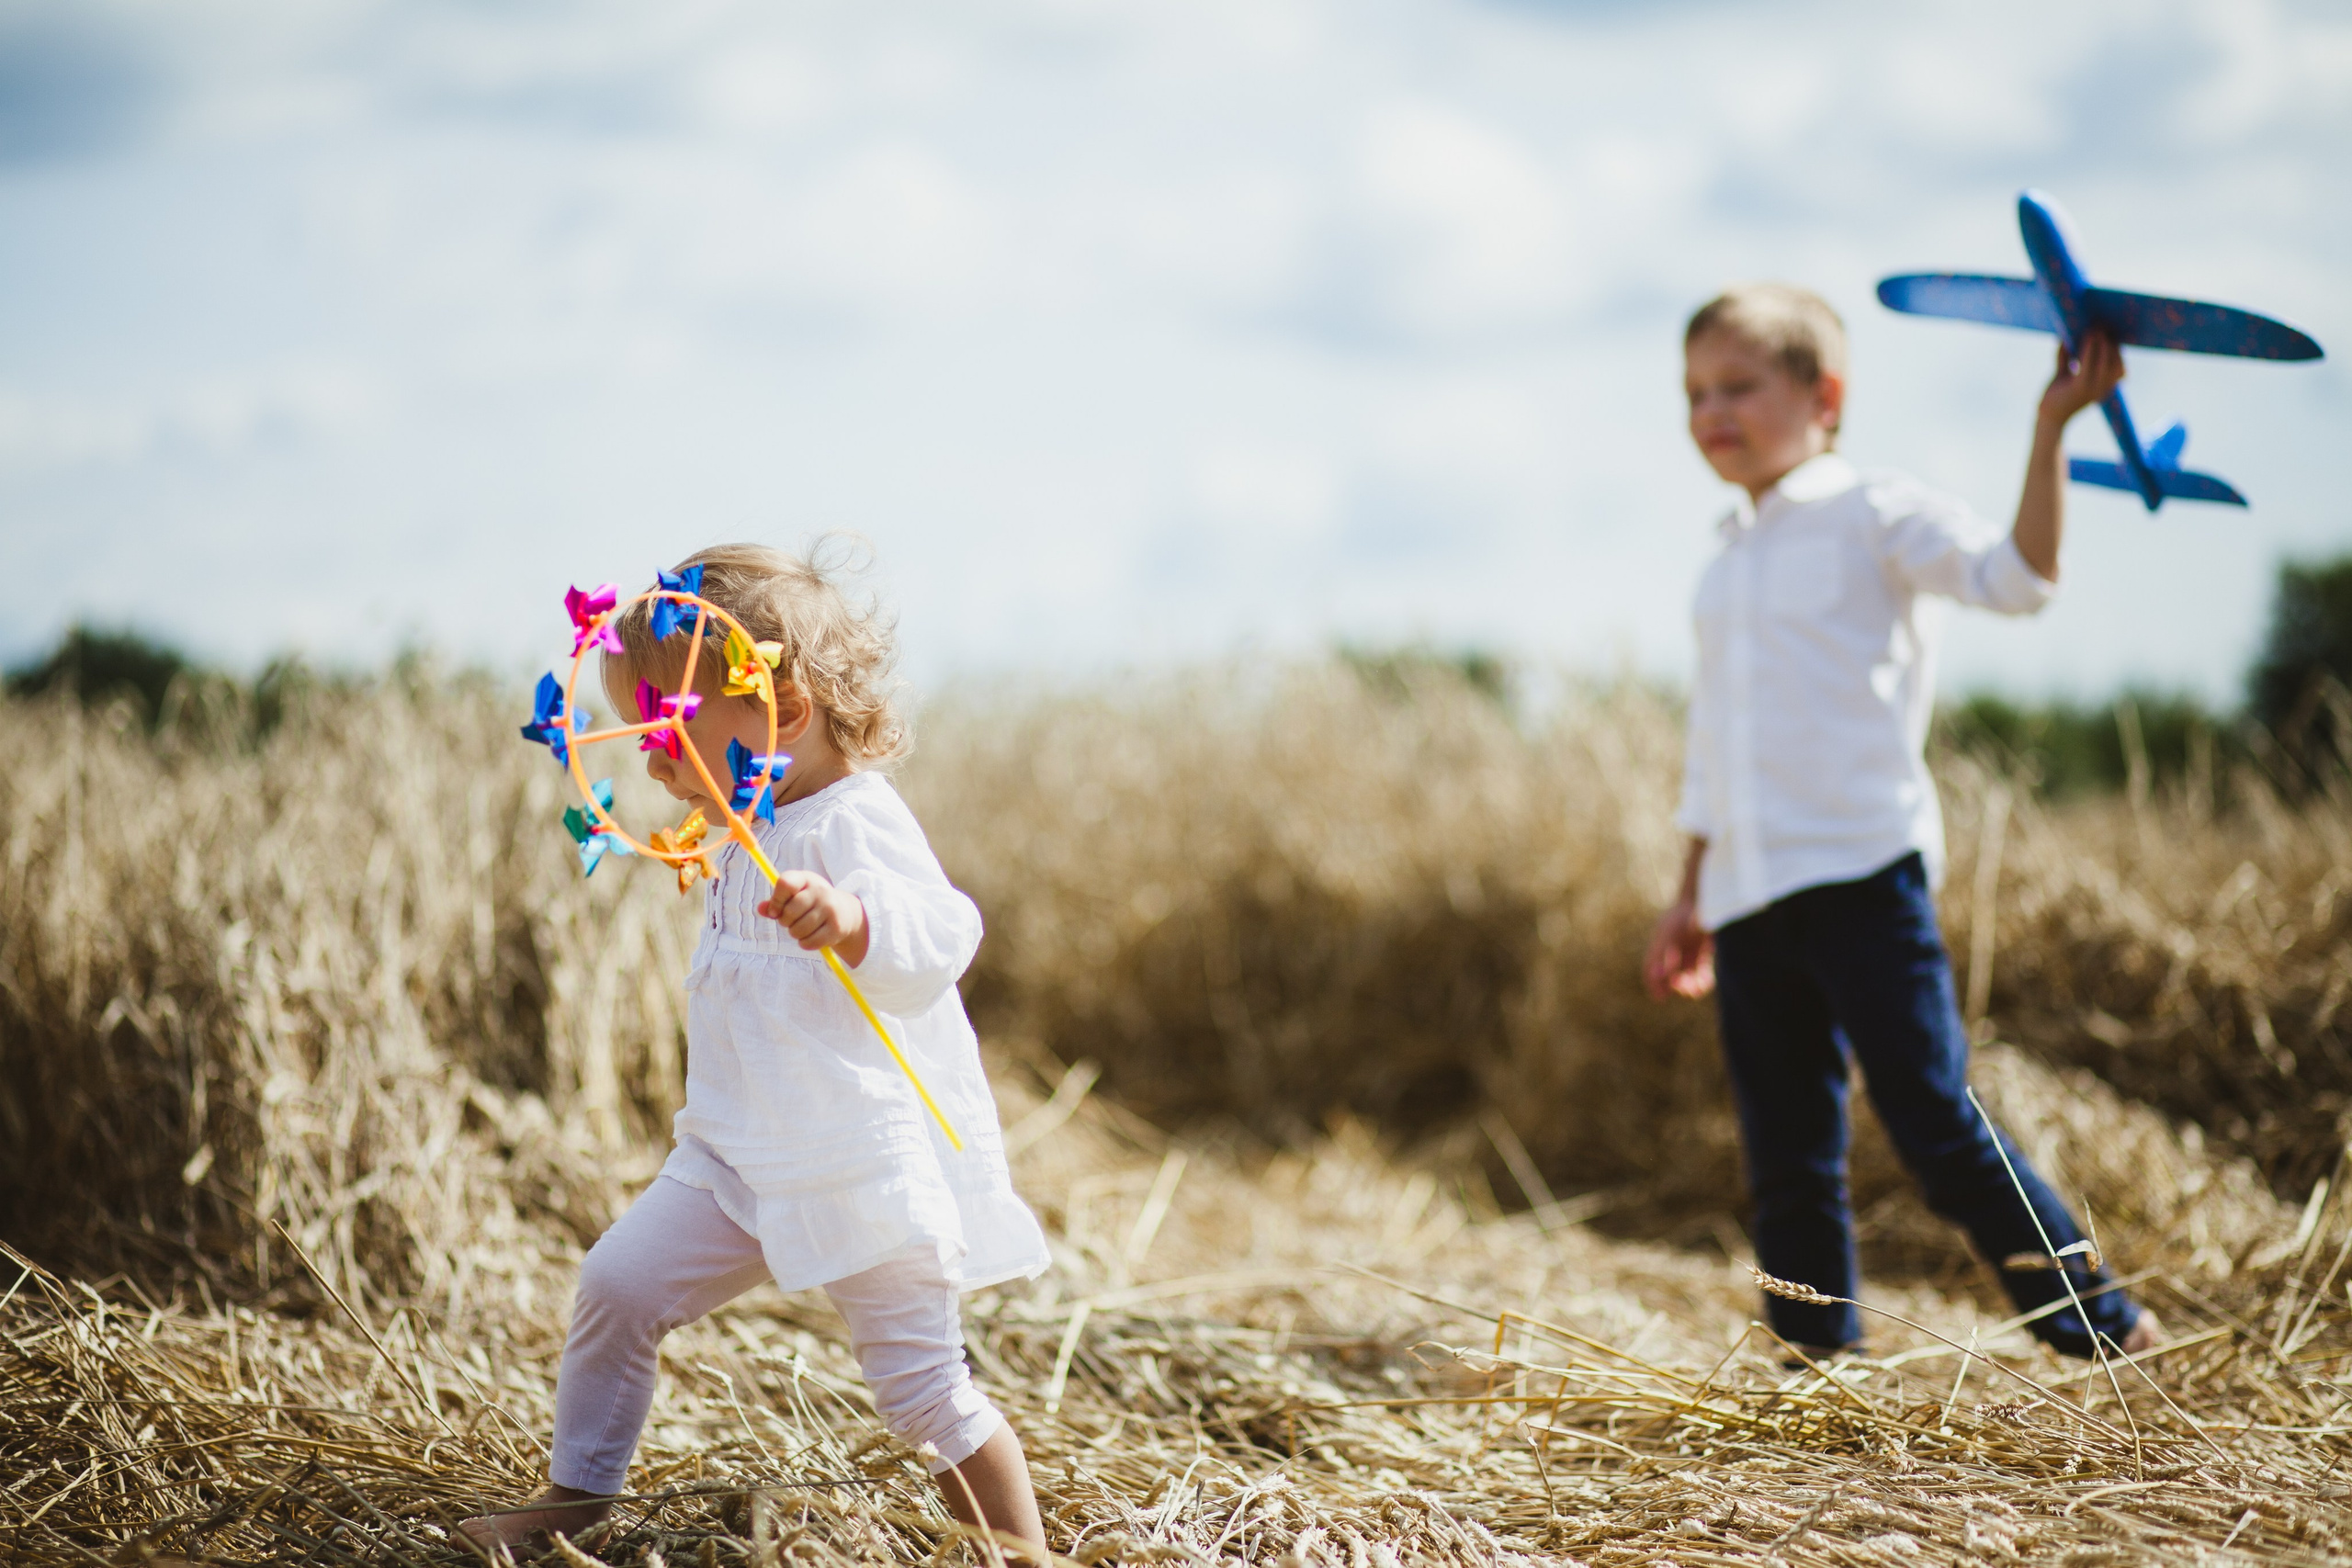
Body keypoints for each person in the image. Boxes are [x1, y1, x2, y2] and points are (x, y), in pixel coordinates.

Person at [464, 542, 1052, 1558]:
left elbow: (947, 933)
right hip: (735, 1156)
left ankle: (1019, 1552)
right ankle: (574, 1499)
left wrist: (855, 919)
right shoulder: (742, 827)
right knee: (616, 1286)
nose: (647, 754)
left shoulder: (852, 821)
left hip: (856, 1158)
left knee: (924, 1394)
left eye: (665, 721)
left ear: (778, 712)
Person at [1643, 284, 2161, 1362]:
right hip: (1745, 898)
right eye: (1695, 392)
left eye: (1739, 386)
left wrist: (2051, 424)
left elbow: (2018, 580)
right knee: (1785, 1154)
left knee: (1932, 1124)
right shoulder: (1720, 562)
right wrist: (1689, 893)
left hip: (1860, 879)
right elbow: (1713, 748)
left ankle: (2107, 1331)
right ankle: (1813, 1366)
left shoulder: (1872, 512)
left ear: (1822, 394)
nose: (1710, 413)